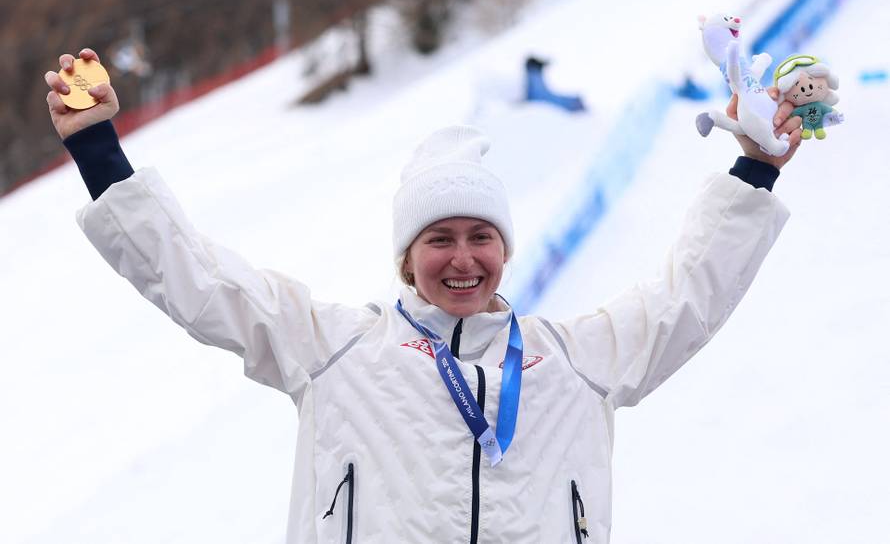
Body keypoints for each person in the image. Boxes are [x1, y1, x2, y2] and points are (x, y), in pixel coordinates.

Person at [45, 48, 802, 543]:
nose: (463, 258)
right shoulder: (335, 347)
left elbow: (687, 298)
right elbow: (195, 278)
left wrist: (757, 173)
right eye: (440, 239)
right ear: (408, 258)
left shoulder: (574, 362)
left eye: (482, 236)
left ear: (505, 249)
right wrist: (97, 149)